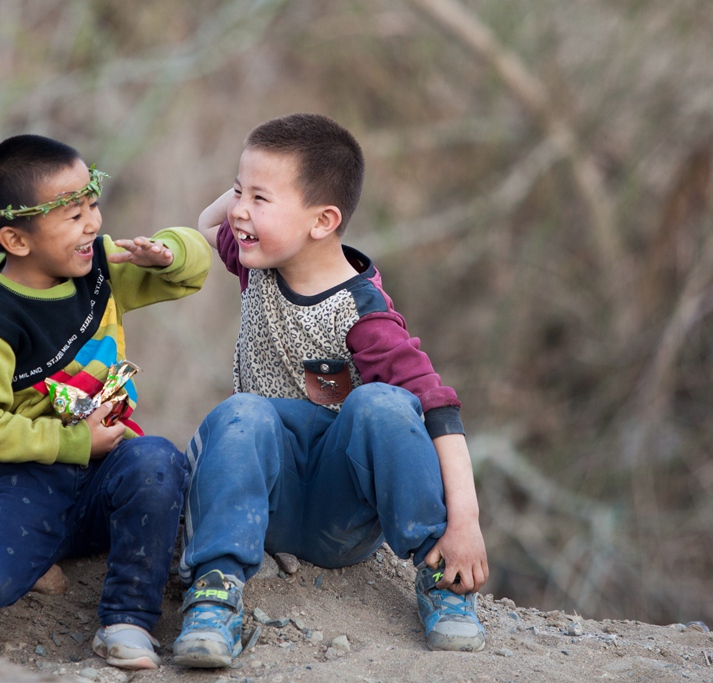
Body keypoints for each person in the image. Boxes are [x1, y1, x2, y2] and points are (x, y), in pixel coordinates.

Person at [172, 113, 488, 668]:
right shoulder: (258, 261)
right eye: (238, 192)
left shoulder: (365, 314)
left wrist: (466, 523)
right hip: (263, 502)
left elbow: (439, 410)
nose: (239, 211)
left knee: (383, 404)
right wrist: (253, 188)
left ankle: (442, 577)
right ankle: (215, 589)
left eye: (259, 199)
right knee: (242, 413)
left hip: (339, 514)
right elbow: (205, 223)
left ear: (323, 221)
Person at [0, 134, 212, 671]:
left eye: (92, 204)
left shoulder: (96, 271)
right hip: (25, 481)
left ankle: (127, 621)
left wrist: (171, 251)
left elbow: (191, 276)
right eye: (72, 215)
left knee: (159, 460)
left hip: (104, 474)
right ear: (17, 241)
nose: (92, 223)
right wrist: (72, 440)